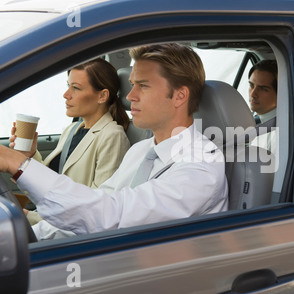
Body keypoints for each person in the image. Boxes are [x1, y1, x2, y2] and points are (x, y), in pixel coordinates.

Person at [0, 43, 228, 239]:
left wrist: (19, 165)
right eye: (132, 84)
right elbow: (96, 205)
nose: (130, 96)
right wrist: (32, 237)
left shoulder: (200, 168)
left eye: (143, 85)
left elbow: (112, 215)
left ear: (180, 96)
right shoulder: (141, 151)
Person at [10, 58, 131, 226]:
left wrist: (29, 217)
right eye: (68, 85)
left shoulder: (112, 136)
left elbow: (98, 210)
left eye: (76, 88)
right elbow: (53, 181)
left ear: (102, 96)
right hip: (48, 218)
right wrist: (28, 156)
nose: (66, 94)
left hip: (68, 230)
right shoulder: (72, 130)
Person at [248, 59, 278, 153]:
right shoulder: (251, 120)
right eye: (251, 85)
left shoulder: (278, 136)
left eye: (263, 89)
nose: (253, 94)